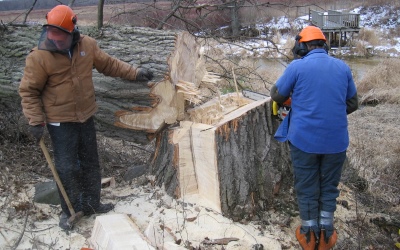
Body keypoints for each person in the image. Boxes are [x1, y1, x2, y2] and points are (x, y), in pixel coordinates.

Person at [19, 5, 154, 230]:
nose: (56, 41)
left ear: (72, 30)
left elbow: (109, 64)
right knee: (67, 167)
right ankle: (69, 211)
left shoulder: (87, 45)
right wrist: (35, 121)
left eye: (61, 37)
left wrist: (135, 72)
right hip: (59, 121)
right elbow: (28, 91)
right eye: (52, 36)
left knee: (91, 162)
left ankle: (92, 204)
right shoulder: (39, 57)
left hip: (85, 115)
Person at [270, 25, 358, 250]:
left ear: (302, 45)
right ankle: (327, 234)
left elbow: (277, 94)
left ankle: (308, 236)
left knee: (307, 185)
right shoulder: (343, 67)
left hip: (304, 141)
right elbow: (352, 103)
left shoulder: (297, 66)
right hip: (336, 141)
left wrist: (300, 104)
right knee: (328, 186)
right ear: (323, 45)